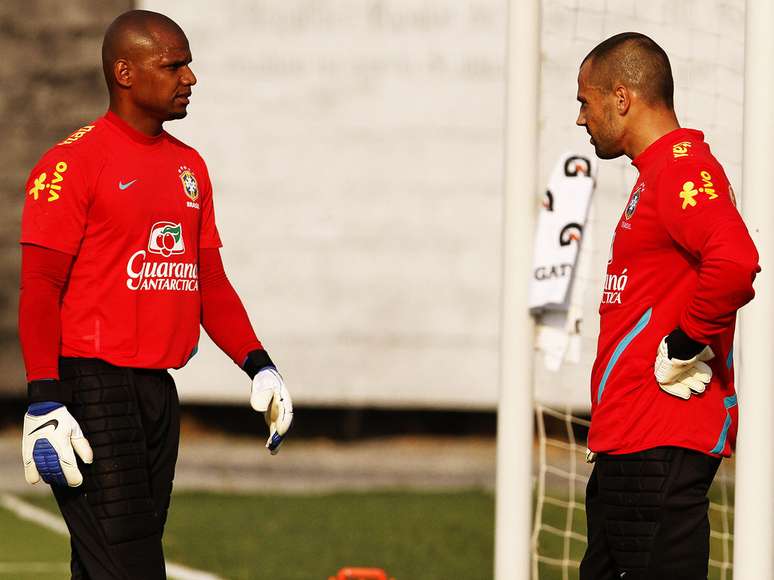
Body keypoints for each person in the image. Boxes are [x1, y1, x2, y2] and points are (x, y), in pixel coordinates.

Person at [19, 10, 293, 579]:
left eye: (188, 64)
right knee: (133, 566)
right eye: (173, 66)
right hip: (90, 388)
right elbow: (40, 286)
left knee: (103, 567)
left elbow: (208, 281)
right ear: (125, 73)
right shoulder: (72, 163)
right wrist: (44, 400)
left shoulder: (190, 167)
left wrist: (258, 364)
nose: (190, 77)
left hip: (158, 393)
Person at [575, 32, 759, 579]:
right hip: (631, 439)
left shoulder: (682, 169)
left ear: (621, 98)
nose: (581, 118)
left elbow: (735, 260)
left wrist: (684, 343)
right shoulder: (656, 173)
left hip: (660, 439)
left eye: (585, 101)